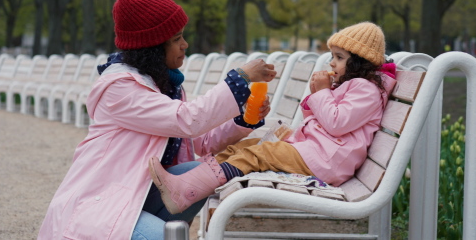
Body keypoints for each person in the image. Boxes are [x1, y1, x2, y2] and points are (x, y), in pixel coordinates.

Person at [37, 0, 276, 240]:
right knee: (165, 236)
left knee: (199, 173)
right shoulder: (120, 87)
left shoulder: (164, 85)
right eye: (176, 39)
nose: (185, 45)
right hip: (102, 202)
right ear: (152, 46)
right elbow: (186, 120)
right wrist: (240, 77)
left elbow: (201, 142)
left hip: (136, 193)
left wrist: (245, 120)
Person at [149, 22, 397, 215]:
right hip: (318, 153)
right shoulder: (354, 86)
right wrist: (321, 94)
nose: (332, 62)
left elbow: (336, 123)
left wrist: (322, 93)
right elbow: (324, 121)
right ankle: (188, 183)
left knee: (260, 153)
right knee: (244, 147)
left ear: (361, 61)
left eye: (340, 57)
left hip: (327, 161)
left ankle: (187, 190)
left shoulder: (366, 89)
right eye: (333, 55)